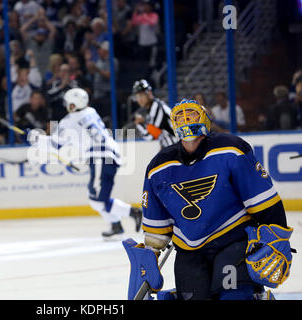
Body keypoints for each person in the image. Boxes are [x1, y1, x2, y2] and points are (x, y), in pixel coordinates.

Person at [125, 99, 293, 300]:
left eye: (192, 114)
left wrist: (277, 237)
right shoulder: (158, 167)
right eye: (180, 116)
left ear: (205, 119)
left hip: (233, 240)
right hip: (189, 251)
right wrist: (149, 257)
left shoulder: (231, 149)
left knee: (234, 298)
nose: (186, 120)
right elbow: (157, 226)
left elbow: (265, 201)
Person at [28, 87, 142, 239]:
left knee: (97, 199)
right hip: (108, 155)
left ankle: (133, 212)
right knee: (94, 198)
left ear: (73, 105)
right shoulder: (91, 111)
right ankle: (116, 225)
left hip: (101, 157)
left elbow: (55, 145)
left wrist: (35, 138)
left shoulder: (69, 121)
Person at [132, 79, 177, 148]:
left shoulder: (156, 107)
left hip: (177, 148)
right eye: (137, 97)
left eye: (141, 95)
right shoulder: (154, 107)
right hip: (174, 147)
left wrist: (139, 124)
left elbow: (151, 137)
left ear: (149, 93)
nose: (139, 100)